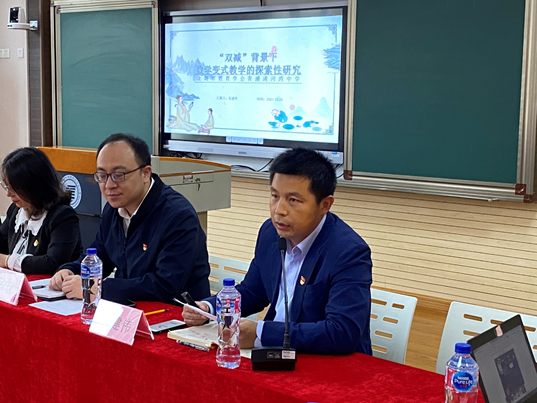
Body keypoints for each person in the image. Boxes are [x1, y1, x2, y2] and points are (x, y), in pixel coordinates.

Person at [183, 148, 373, 355]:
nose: (279, 210)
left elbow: (342, 332)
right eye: (275, 196)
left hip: (326, 361)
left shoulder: (348, 252)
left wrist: (261, 333)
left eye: (293, 200)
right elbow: (253, 292)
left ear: (325, 204)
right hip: (276, 355)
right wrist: (209, 308)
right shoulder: (270, 233)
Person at [49, 133, 211, 303]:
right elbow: (99, 257)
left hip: (176, 313)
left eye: (119, 175)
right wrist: (70, 270)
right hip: (128, 309)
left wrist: (98, 288)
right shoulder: (113, 209)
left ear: (145, 173)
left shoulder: (178, 216)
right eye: (102, 176)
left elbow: (165, 286)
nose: (109, 185)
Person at [0, 147, 83, 275]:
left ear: (34, 185)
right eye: (7, 187)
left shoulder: (63, 216)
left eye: (14, 188)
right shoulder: (16, 211)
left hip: (50, 285)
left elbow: (53, 262)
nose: (8, 194)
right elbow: (2, 244)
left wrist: (8, 261)